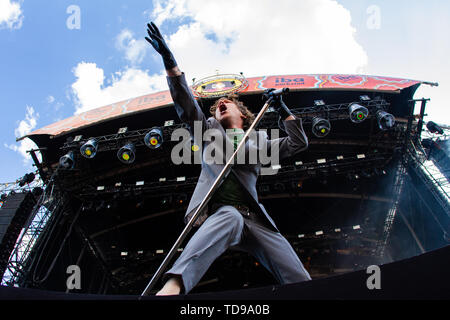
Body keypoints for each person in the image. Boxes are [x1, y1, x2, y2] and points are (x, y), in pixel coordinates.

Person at [145, 22, 312, 295]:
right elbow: (186, 106)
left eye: (226, 102)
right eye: (215, 105)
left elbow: (298, 142)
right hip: (221, 213)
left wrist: (283, 109)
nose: (220, 104)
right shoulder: (209, 132)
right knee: (231, 216)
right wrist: (171, 64)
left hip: (255, 219)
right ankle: (173, 287)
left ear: (243, 113)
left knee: (296, 273)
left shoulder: (259, 141)